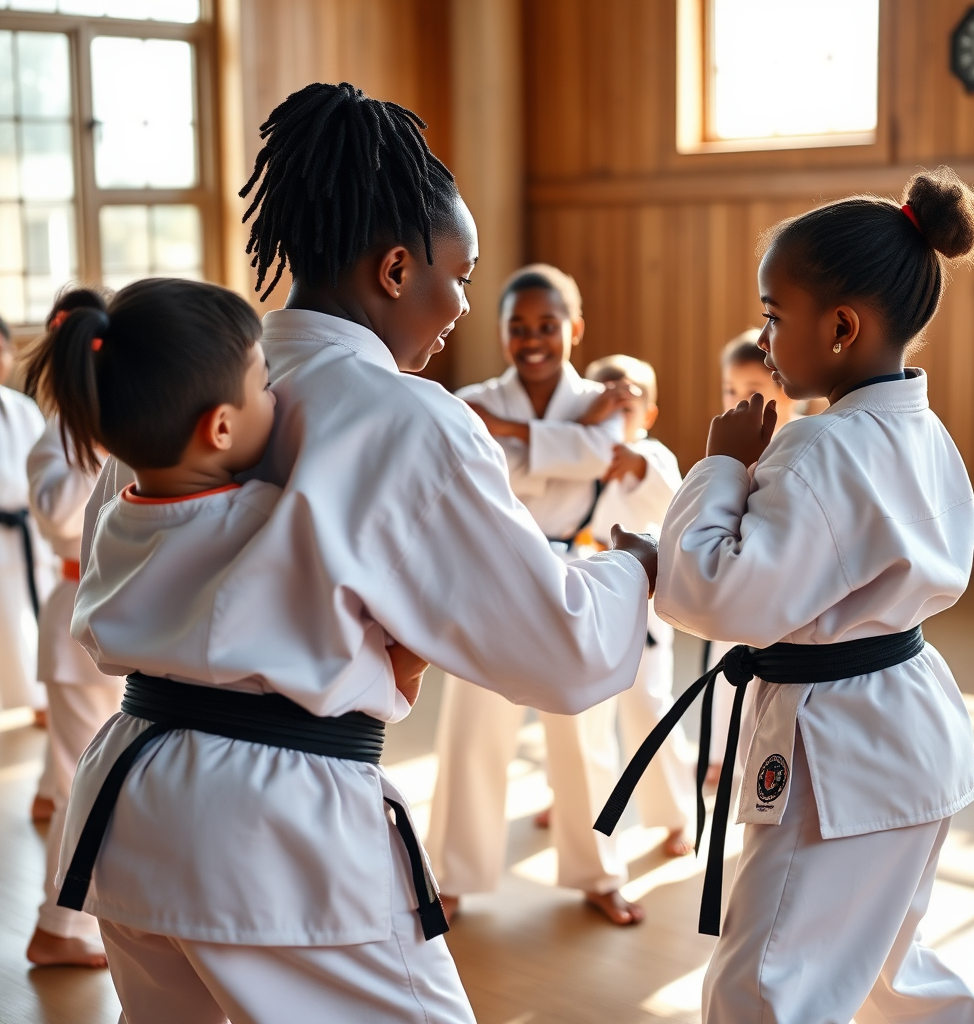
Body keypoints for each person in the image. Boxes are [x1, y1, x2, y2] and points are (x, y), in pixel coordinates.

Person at [53, 83, 656, 1024]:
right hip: (270, 824)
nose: (460, 303)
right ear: (394, 267)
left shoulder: (184, 386)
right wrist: (643, 567)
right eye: (459, 274)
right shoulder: (410, 419)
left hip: (130, 797)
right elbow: (563, 649)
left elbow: (147, 568)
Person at [654, 167, 974, 1023]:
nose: (766, 339)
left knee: (762, 992)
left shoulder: (820, 449)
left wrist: (722, 466)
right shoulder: (921, 432)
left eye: (774, 316)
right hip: (913, 733)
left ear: (842, 326)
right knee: (893, 976)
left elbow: (711, 594)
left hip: (841, 754)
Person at [426, 265, 648, 926]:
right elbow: (483, 475)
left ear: (574, 328)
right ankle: (453, 875)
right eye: (517, 327)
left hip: (575, 570)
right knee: (472, 733)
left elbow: (596, 461)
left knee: (585, 737)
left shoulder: (602, 402)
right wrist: (561, 445)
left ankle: (599, 872)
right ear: (499, 332)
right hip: (492, 579)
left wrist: (513, 435)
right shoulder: (471, 399)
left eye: (547, 326)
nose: (533, 340)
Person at [24, 290, 127, 969]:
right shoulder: (57, 437)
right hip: (75, 614)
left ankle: (71, 922)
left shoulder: (116, 423)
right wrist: (97, 444)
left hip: (110, 610)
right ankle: (60, 925)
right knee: (77, 783)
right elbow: (61, 515)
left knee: (87, 779)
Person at [579, 354, 694, 855]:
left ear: (649, 415)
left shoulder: (657, 458)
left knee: (648, 706)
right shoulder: (580, 455)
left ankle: (675, 812)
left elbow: (676, 504)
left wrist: (640, 464)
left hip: (643, 613)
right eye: (604, 397)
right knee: (582, 718)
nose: (617, 409)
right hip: (587, 606)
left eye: (630, 402)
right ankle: (574, 802)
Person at [704, 330, 803, 786]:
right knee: (724, 682)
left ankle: (747, 763)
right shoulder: (735, 448)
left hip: (774, 595)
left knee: (765, 699)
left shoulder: (799, 448)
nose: (739, 403)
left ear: (786, 386)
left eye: (753, 391)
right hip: (730, 590)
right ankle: (720, 753)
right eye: (730, 390)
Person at [0, 314, 53, 723]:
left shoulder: (23, 408)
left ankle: (39, 702)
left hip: (27, 528)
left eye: (2, 349)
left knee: (28, 622)